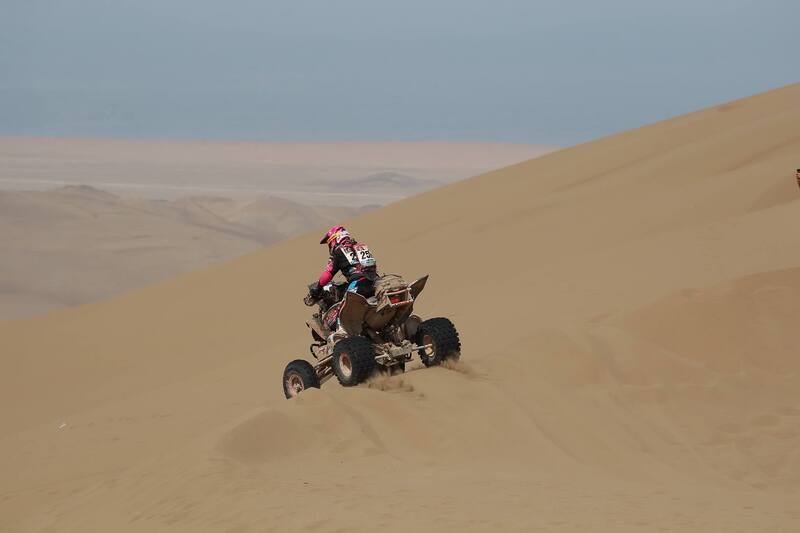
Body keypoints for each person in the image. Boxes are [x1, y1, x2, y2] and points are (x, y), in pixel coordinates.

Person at [309, 226, 378, 303]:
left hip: (358, 285)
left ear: (335, 238)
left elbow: (328, 274)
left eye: (330, 243)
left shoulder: (338, 251)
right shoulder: (360, 246)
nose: (330, 246)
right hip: (375, 282)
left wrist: (318, 288)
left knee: (341, 308)